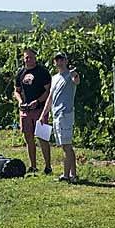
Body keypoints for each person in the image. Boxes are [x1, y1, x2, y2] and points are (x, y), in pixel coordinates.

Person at [40, 52, 81, 183]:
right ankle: (73, 174)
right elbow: (50, 98)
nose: (60, 62)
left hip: (66, 114)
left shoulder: (70, 75)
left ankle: (66, 175)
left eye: (62, 59)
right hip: (56, 114)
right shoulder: (54, 78)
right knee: (67, 145)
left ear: (66, 61)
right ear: (54, 63)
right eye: (57, 60)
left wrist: (75, 75)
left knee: (66, 146)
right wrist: (43, 115)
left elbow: (77, 81)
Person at [12, 48, 52, 174]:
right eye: (26, 57)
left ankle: (48, 166)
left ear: (35, 58)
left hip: (40, 110)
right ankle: (33, 166)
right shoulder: (20, 73)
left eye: (30, 57)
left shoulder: (42, 72)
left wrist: (38, 101)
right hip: (25, 110)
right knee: (28, 138)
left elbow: (48, 91)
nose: (28, 59)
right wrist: (20, 101)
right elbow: (16, 90)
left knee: (42, 138)